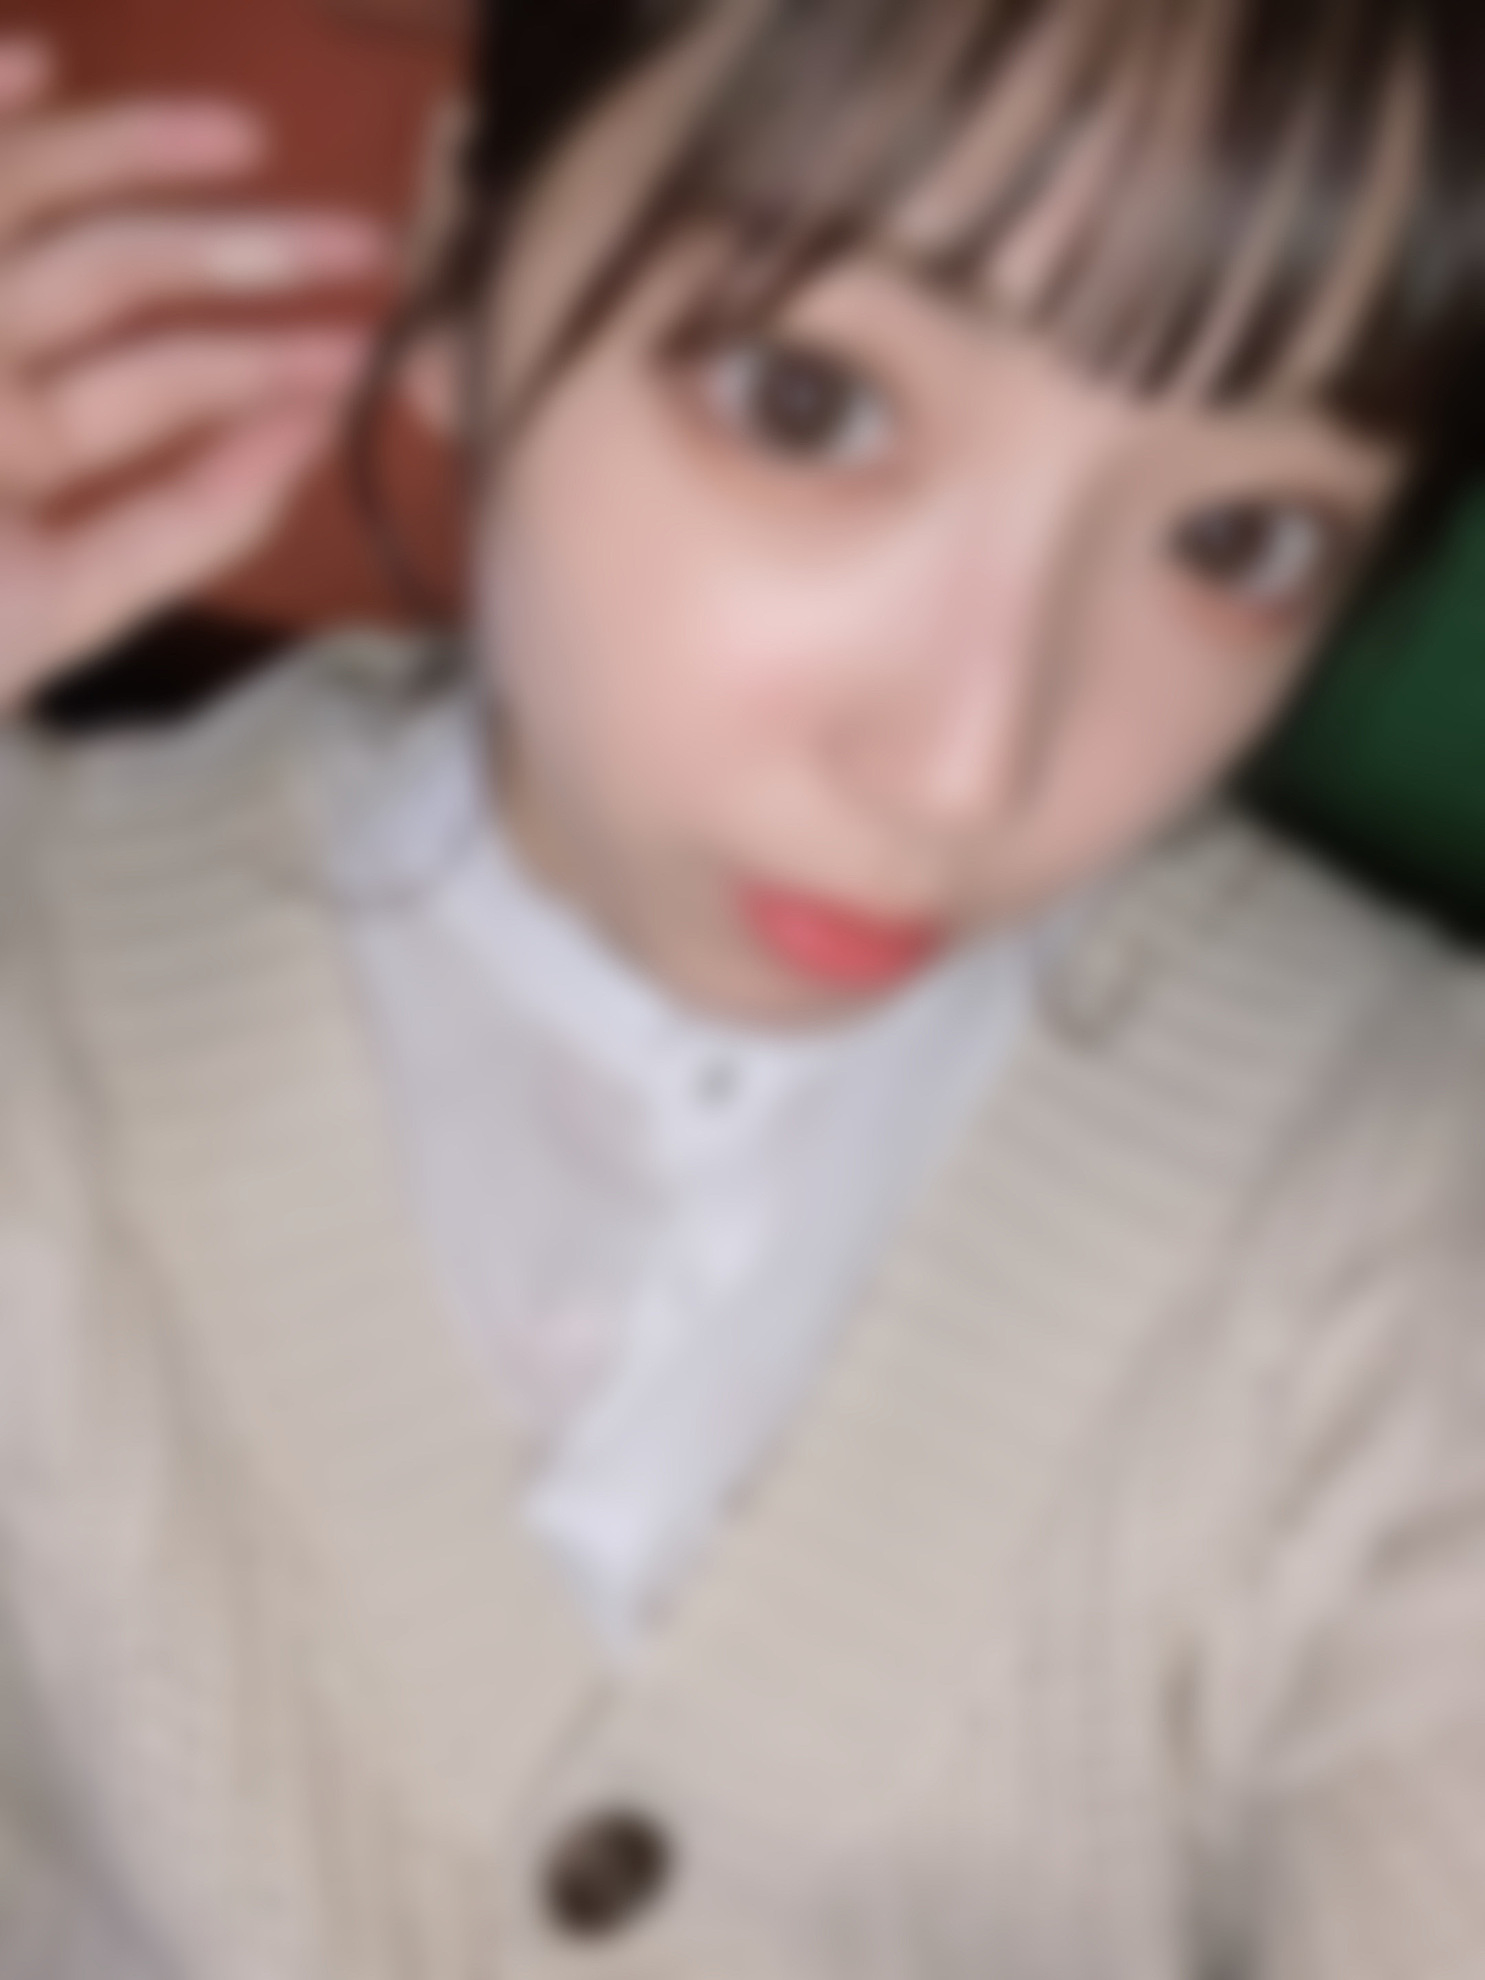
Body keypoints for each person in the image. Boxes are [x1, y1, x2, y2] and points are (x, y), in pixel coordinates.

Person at [1, 2, 1484, 1974]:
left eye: (1236, 538)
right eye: (808, 405)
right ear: (465, 244)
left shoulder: (1409, 1211)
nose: (963, 769)